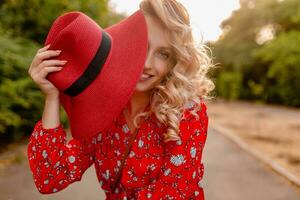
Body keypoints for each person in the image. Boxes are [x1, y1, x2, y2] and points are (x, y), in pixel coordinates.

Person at [27, 0, 215, 199]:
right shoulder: (104, 108)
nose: (147, 64)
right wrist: (52, 97)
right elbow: (50, 177)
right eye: (143, 46)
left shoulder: (187, 112)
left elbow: (173, 192)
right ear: (128, 44)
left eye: (163, 54)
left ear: (174, 63)